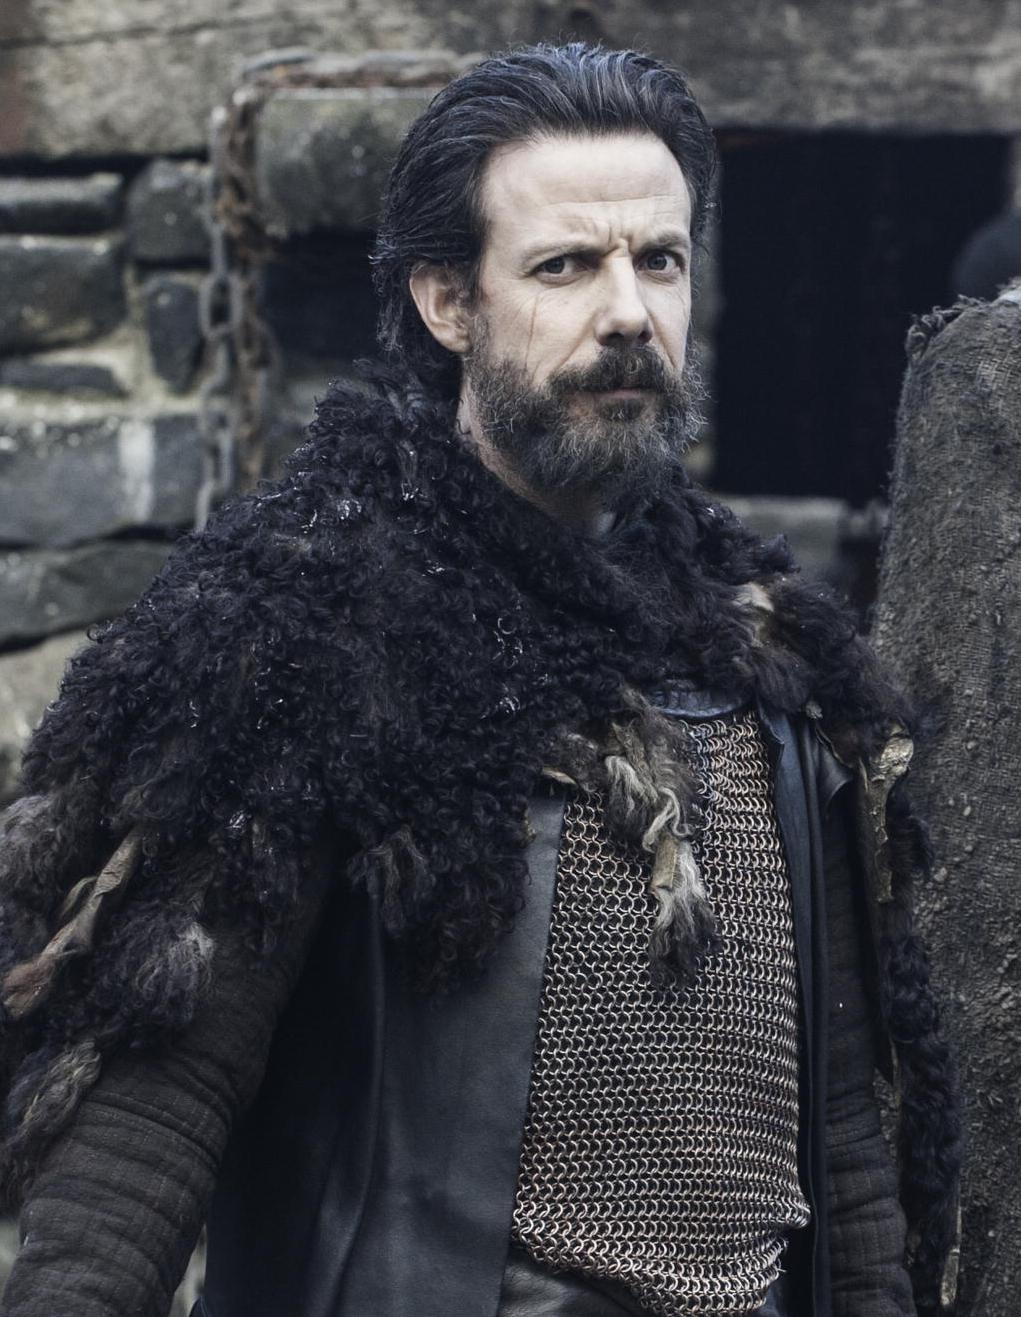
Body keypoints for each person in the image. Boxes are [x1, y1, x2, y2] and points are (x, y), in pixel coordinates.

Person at [0, 42, 959, 1317]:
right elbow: (153, 1107)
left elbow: (845, 1151)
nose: (629, 311)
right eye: (565, 266)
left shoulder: (772, 658)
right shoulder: (311, 623)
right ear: (448, 304)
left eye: (658, 260)